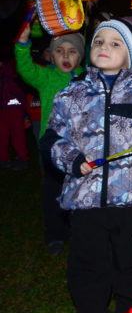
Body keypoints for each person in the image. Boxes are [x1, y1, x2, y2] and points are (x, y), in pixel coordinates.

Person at [44, 18, 132, 313]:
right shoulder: (70, 95)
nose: (105, 47)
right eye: (100, 41)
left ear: (130, 56)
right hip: (84, 200)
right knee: (89, 266)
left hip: (130, 201)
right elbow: (51, 139)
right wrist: (73, 160)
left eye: (116, 44)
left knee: (130, 264)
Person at [15, 23, 84, 254]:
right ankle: (55, 233)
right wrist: (23, 44)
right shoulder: (45, 77)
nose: (65, 55)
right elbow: (25, 69)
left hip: (80, 148)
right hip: (52, 147)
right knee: (53, 191)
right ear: (51, 56)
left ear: (80, 56)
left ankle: (81, 231)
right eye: (59, 51)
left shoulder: (86, 78)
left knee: (80, 190)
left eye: (72, 51)